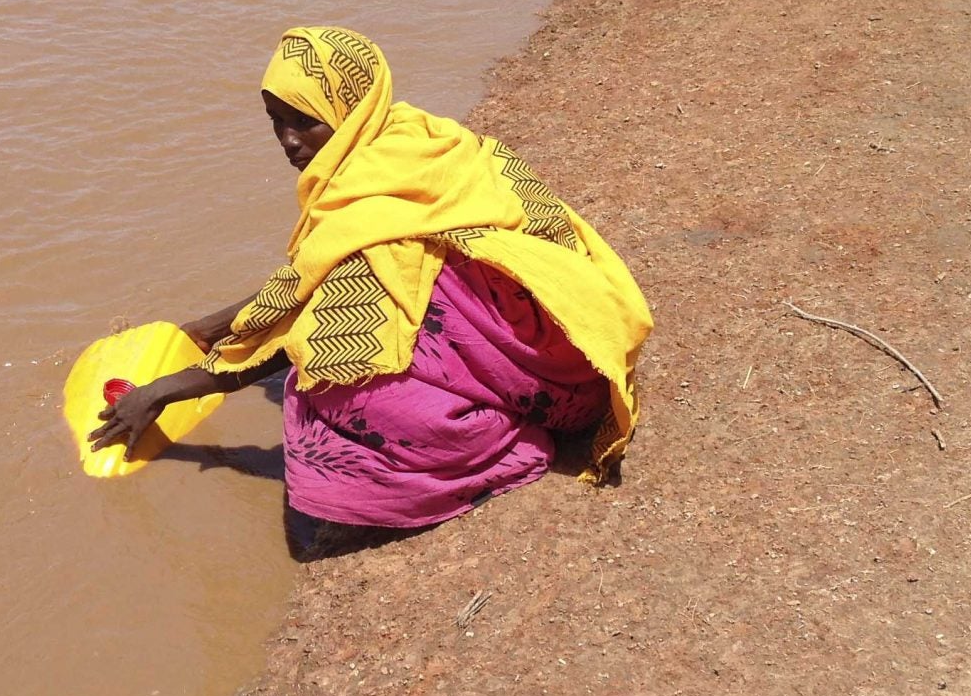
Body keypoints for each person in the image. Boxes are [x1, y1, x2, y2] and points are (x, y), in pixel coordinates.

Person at [90, 26, 650, 541]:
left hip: (559, 401)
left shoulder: (363, 211)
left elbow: (308, 312)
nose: (288, 141)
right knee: (400, 296)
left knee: (328, 386)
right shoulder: (429, 141)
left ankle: (504, 448)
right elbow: (317, 275)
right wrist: (210, 328)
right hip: (586, 353)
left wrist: (165, 391)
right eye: (275, 121)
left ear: (348, 114)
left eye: (303, 121)